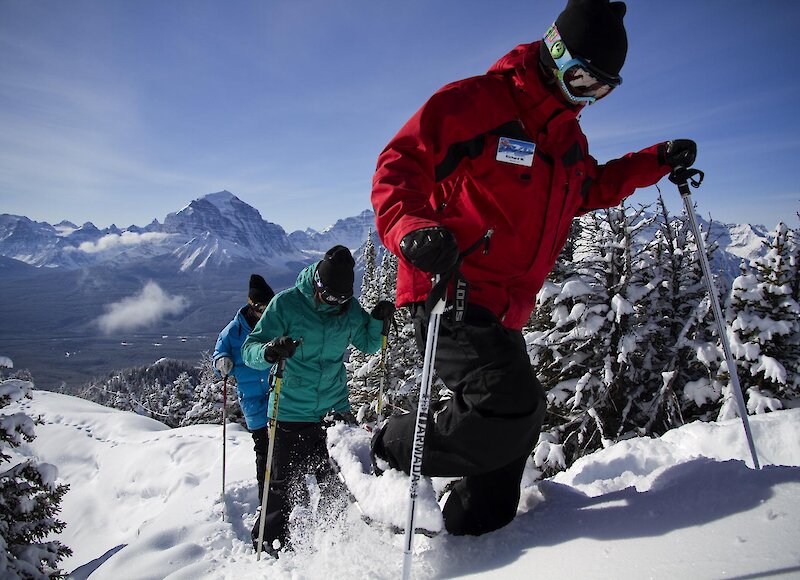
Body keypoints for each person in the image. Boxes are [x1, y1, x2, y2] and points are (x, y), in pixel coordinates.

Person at [369, 0, 697, 537]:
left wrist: (656, 160)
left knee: (513, 441)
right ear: (556, 51)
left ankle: (470, 533)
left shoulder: (568, 140)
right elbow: (400, 163)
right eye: (583, 78)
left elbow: (588, 188)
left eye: (602, 88)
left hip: (505, 308)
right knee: (508, 405)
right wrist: (410, 230)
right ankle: (389, 446)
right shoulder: (476, 103)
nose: (587, 95)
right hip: (450, 286)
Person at [241, 245, 395, 554]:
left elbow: (367, 344)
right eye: (330, 297)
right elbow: (249, 349)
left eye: (342, 299)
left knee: (338, 482)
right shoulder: (286, 304)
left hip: (334, 411)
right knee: (281, 485)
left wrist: (377, 322)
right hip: (290, 409)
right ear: (317, 285)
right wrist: (270, 350)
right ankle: (269, 544)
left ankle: (331, 539)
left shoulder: (348, 308)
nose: (335, 304)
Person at [212, 274, 276, 506]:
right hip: (251, 399)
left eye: (269, 306)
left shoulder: (272, 325)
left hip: (276, 395)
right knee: (263, 451)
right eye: (261, 307)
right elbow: (219, 353)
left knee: (279, 449)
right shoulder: (234, 331)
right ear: (251, 305)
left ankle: (282, 495)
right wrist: (222, 362)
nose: (265, 312)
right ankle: (266, 500)